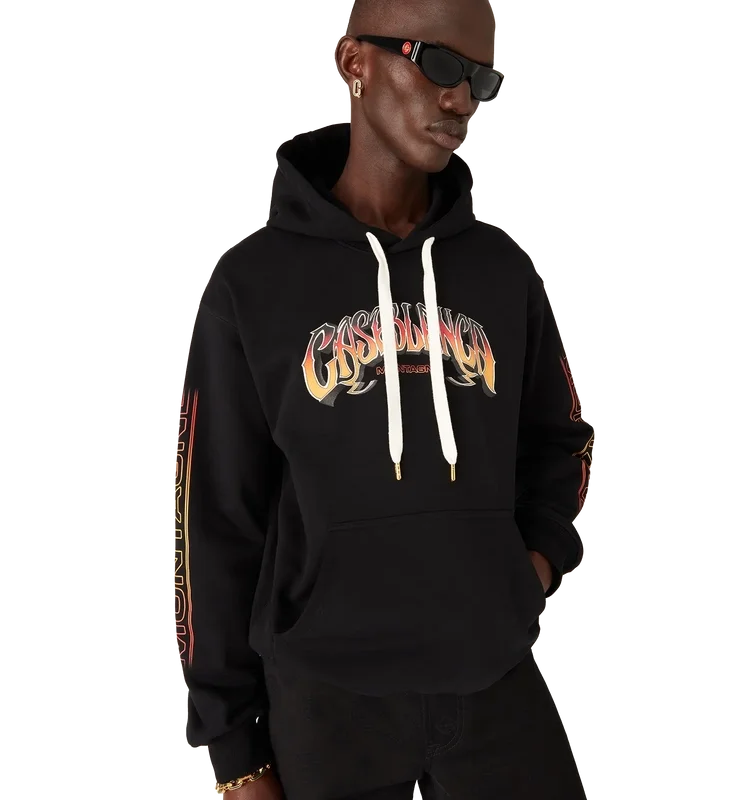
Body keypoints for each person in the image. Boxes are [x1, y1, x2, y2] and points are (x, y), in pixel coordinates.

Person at [173, 0, 597, 797]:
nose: (461, 99)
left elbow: (559, 439)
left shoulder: (501, 272)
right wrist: (235, 753)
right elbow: (214, 521)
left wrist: (531, 566)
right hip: (327, 700)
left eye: (480, 79)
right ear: (353, 62)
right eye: (438, 65)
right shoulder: (252, 287)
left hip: (489, 674)